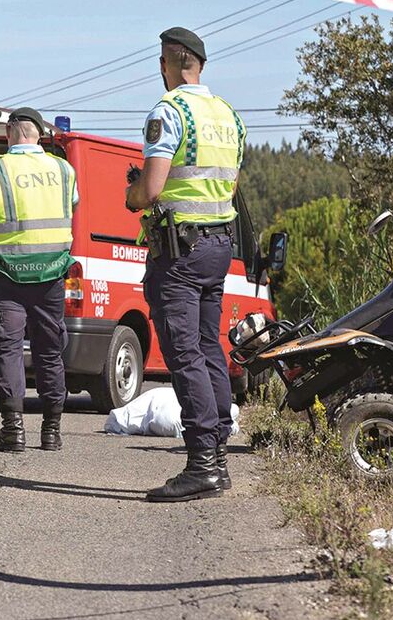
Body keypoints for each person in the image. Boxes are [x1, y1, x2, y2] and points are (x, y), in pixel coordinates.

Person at [125, 27, 246, 502]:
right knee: (206, 346)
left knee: (183, 353)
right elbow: (230, 188)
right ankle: (217, 453)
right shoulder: (229, 116)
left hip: (179, 252)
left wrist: (132, 194)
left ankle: (202, 465)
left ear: (172, 63)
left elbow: (151, 191)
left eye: (160, 61)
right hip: (218, 245)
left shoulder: (169, 112)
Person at [0, 107, 79, 452]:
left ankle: (13, 431)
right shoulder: (64, 169)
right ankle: (52, 431)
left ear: (12, 132)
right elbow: (70, 208)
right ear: (39, 134)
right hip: (51, 275)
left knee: (9, 351)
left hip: (7, 275)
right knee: (49, 352)